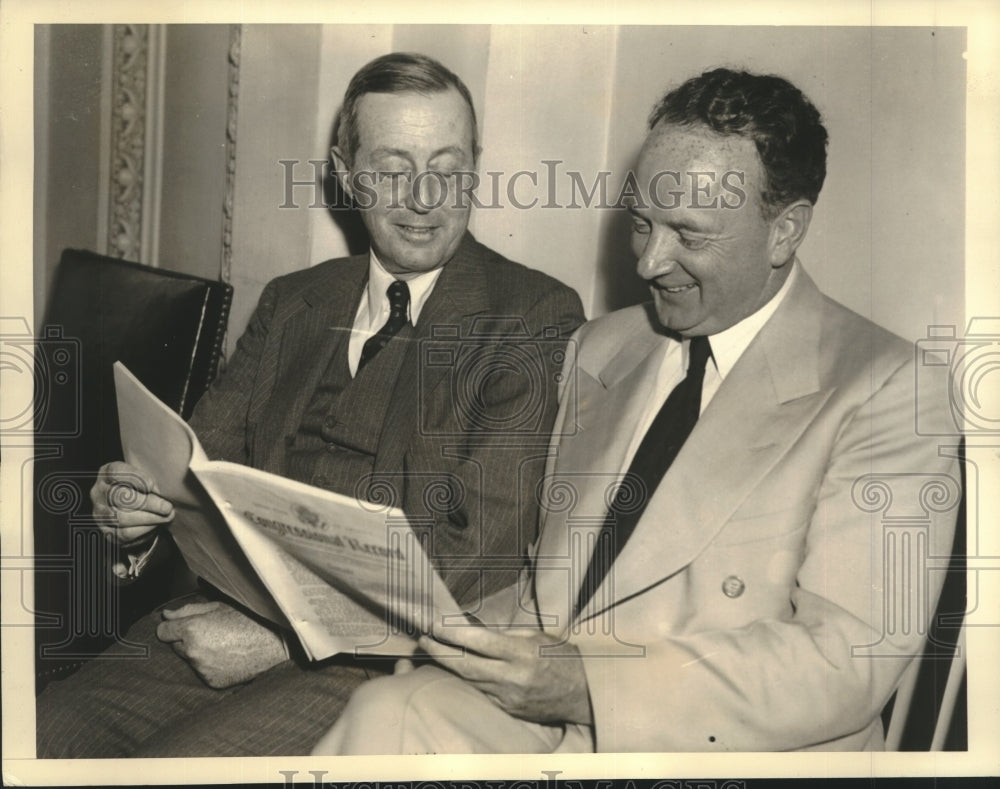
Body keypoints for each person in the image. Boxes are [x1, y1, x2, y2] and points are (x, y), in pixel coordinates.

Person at [314, 67, 960, 754]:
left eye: (689, 234)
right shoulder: (602, 346)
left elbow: (845, 663)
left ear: (785, 231)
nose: (650, 263)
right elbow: (552, 594)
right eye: (643, 223)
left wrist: (588, 686)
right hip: (557, 721)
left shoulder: (890, 388)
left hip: (728, 748)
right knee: (386, 712)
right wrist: (455, 636)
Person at [35, 51, 585, 757]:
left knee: (176, 769)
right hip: (220, 617)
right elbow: (193, 472)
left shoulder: (532, 317)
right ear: (347, 174)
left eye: (448, 169)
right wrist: (134, 515)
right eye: (392, 169)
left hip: (380, 664)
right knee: (42, 736)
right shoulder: (294, 301)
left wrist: (287, 637)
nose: (425, 198)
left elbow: (479, 560)